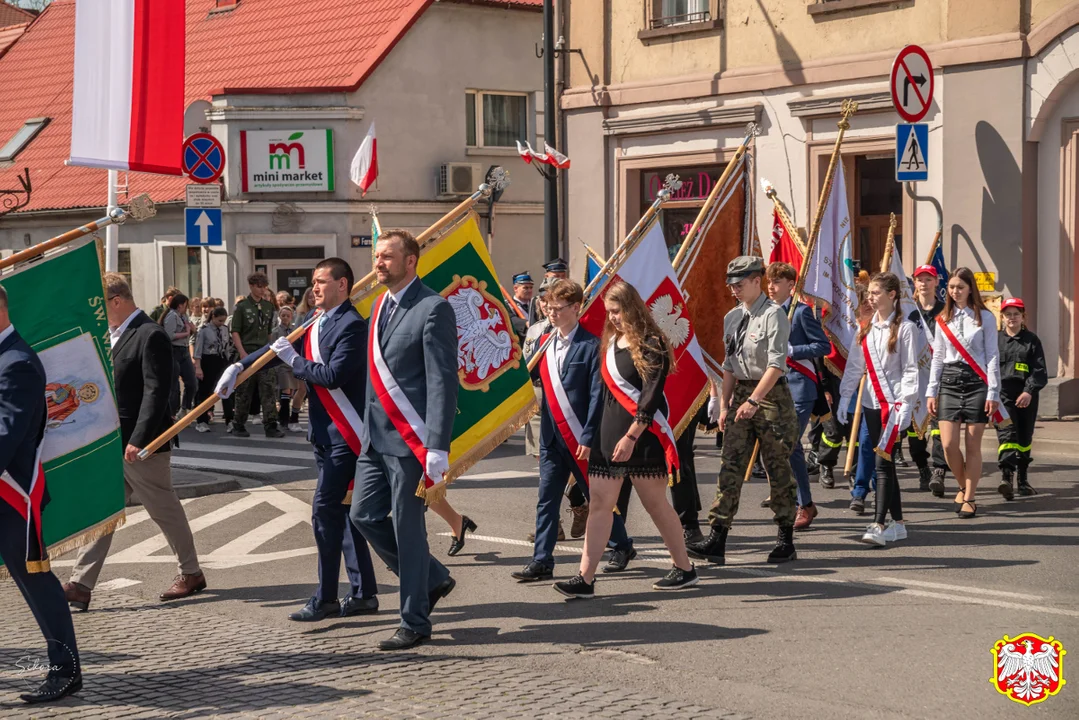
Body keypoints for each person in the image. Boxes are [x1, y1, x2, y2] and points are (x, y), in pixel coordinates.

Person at [218, 258, 379, 622]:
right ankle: (365, 592)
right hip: (323, 434)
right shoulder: (316, 320)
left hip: (345, 436)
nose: (315, 288)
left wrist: (296, 363)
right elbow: (280, 347)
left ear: (343, 285)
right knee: (346, 514)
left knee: (324, 514)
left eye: (322, 281)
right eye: (313, 282)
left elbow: (333, 375)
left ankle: (326, 597)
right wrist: (240, 368)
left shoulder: (352, 325)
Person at [64, 274, 206, 609]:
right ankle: (81, 584)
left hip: (143, 446)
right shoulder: (110, 334)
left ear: (116, 300)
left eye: (99, 303)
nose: (95, 310)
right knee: (105, 512)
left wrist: (140, 439)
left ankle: (191, 572)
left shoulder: (149, 333)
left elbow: (158, 392)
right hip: (113, 441)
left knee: (164, 510)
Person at [554, 281, 698, 598]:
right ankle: (585, 578)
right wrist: (591, 436)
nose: (613, 318)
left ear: (632, 308)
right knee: (600, 507)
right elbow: (601, 395)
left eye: (617, 311)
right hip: (609, 436)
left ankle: (685, 568)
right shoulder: (610, 343)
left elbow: (650, 394)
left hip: (641, 438)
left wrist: (633, 435)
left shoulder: (652, 342)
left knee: (656, 505)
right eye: (609, 312)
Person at [349, 230, 457, 651]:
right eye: (377, 256)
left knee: (409, 530)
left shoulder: (433, 308)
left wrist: (437, 444)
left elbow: (441, 381)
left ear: (410, 260)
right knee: (363, 516)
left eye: (387, 257)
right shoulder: (380, 305)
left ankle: (414, 620)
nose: (378, 263)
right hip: (374, 440)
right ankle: (432, 578)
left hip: (411, 441)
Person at [513, 280, 633, 582]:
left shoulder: (592, 346)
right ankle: (542, 559)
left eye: (558, 308)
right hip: (552, 436)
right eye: (548, 307)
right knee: (547, 498)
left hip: (580, 437)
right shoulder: (544, 344)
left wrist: (589, 436)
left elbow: (596, 396)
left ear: (576, 308)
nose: (551, 313)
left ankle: (622, 544)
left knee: (597, 499)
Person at [688, 256, 799, 566]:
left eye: (739, 284)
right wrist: (725, 405)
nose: (733, 289)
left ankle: (785, 539)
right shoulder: (732, 317)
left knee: (777, 468)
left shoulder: (775, 315)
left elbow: (777, 364)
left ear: (756, 281)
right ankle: (717, 538)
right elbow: (729, 366)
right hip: (740, 394)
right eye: (731, 285)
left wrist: (754, 401)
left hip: (770, 396)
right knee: (730, 466)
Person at [0, 285, 82, 704]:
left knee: (35, 580)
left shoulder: (16, 363)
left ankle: (65, 669)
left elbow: (6, 434)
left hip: (11, 494)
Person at [837, 273, 919, 546]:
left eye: (875, 293)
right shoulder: (866, 329)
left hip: (893, 406)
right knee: (887, 464)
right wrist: (844, 396)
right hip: (872, 403)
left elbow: (910, 370)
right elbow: (854, 368)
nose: (870, 298)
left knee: (882, 465)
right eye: (869, 293)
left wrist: (906, 405)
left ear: (892, 295)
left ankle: (878, 524)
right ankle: (899, 523)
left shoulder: (906, 328)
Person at [926, 267, 1001, 520]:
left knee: (972, 445)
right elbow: (937, 356)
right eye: (952, 287)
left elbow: (992, 356)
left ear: (971, 289)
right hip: (949, 380)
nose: (955, 291)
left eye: (960, 287)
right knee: (948, 445)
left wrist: (993, 391)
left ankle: (970, 497)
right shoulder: (942, 318)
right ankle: (961, 484)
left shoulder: (985, 318)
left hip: (976, 382)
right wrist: (931, 391)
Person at [766, 261, 829, 530]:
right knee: (785, 450)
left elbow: (822, 345)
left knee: (788, 445)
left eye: (777, 282)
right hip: (773, 389)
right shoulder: (765, 312)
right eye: (769, 281)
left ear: (791, 286)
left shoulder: (801, 312)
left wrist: (792, 350)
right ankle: (803, 503)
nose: (771, 286)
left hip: (800, 387)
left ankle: (802, 504)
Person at [995, 298, 1047, 499]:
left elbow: (1039, 370)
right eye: (1008, 314)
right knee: (1007, 435)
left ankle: (1022, 480)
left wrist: (1028, 391)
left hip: (1026, 395)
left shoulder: (1032, 341)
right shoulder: (996, 340)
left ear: (1023, 316)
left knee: (1024, 438)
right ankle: (1006, 477)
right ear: (1002, 317)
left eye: (1016, 314)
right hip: (1003, 395)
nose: (1012, 318)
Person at [907, 265, 949, 494]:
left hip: (941, 377)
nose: (924, 283)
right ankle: (922, 466)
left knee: (939, 426)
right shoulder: (909, 314)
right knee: (916, 429)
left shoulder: (946, 311)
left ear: (936, 282)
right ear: (914, 283)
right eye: (920, 279)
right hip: (915, 378)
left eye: (928, 279)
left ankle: (939, 470)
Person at [229, 272, 284, 438]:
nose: (262, 290)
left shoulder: (268, 307)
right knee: (244, 390)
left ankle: (271, 425)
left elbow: (268, 332)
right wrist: (242, 352)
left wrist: (270, 350)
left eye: (264, 287)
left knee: (268, 388)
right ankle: (238, 424)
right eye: (259, 286)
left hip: (263, 352)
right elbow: (235, 331)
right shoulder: (242, 307)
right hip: (247, 351)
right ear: (251, 286)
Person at [192, 307, 232, 433]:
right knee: (205, 392)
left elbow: (227, 347)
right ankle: (202, 421)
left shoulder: (225, 329)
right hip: (208, 360)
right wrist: (198, 367)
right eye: (219, 320)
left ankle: (230, 420)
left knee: (226, 389)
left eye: (223, 321)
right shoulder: (203, 330)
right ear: (213, 317)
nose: (221, 323)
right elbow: (198, 349)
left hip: (222, 360)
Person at [162, 293, 198, 417]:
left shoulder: (183, 316)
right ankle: (172, 413)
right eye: (185, 305)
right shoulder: (171, 316)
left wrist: (192, 330)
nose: (186, 308)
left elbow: (190, 329)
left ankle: (185, 407)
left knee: (192, 382)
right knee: (174, 386)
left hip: (184, 350)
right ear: (180, 305)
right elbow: (169, 335)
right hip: (173, 350)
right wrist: (186, 332)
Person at [272, 305, 302, 433]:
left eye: (288, 316)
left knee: (292, 391)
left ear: (291, 317)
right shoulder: (276, 331)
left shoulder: (294, 330)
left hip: (292, 363)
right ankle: (283, 419)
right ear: (279, 316)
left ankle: (288, 418)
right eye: (283, 315)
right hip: (281, 364)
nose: (285, 318)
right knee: (286, 390)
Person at [528, 258, 568, 323]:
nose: (560, 279)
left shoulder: (571, 297)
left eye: (563, 276)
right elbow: (532, 327)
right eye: (556, 276)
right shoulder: (537, 300)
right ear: (546, 276)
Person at [509, 272, 533, 337]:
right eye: (526, 288)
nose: (529, 290)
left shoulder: (536, 303)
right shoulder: (508, 305)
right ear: (515, 288)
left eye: (531, 287)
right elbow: (511, 319)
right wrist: (525, 323)